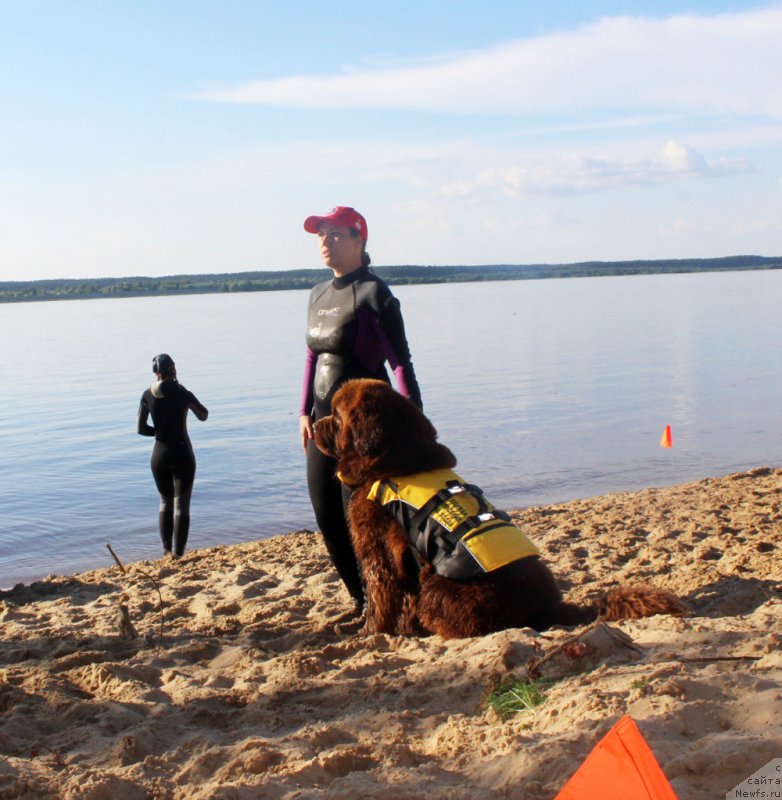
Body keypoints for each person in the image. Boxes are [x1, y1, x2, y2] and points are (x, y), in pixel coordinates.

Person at [299, 206, 422, 617]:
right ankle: (361, 599)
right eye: (321, 234)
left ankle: (387, 601)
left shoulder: (374, 293)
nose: (325, 241)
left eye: (335, 234)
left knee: (365, 522)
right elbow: (311, 357)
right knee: (327, 515)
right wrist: (301, 412)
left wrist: (413, 419)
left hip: (362, 428)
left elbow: (399, 363)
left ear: (359, 240)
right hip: (321, 426)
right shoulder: (317, 294)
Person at [137, 354, 208, 558]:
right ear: (173, 369)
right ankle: (179, 554)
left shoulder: (146, 395)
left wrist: (160, 432)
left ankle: (166, 551)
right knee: (181, 506)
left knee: (165, 503)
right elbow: (203, 415)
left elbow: (141, 429)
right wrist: (187, 399)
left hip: (159, 454)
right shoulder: (182, 392)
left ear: (155, 373)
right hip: (182, 452)